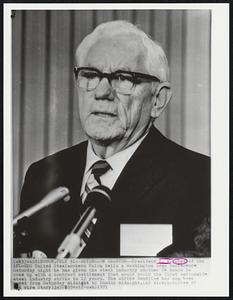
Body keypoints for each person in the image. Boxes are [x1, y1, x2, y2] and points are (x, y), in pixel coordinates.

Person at [14, 20, 210, 258]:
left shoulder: (203, 181)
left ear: (158, 99)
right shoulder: (42, 175)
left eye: (123, 78)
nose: (101, 92)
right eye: (90, 75)